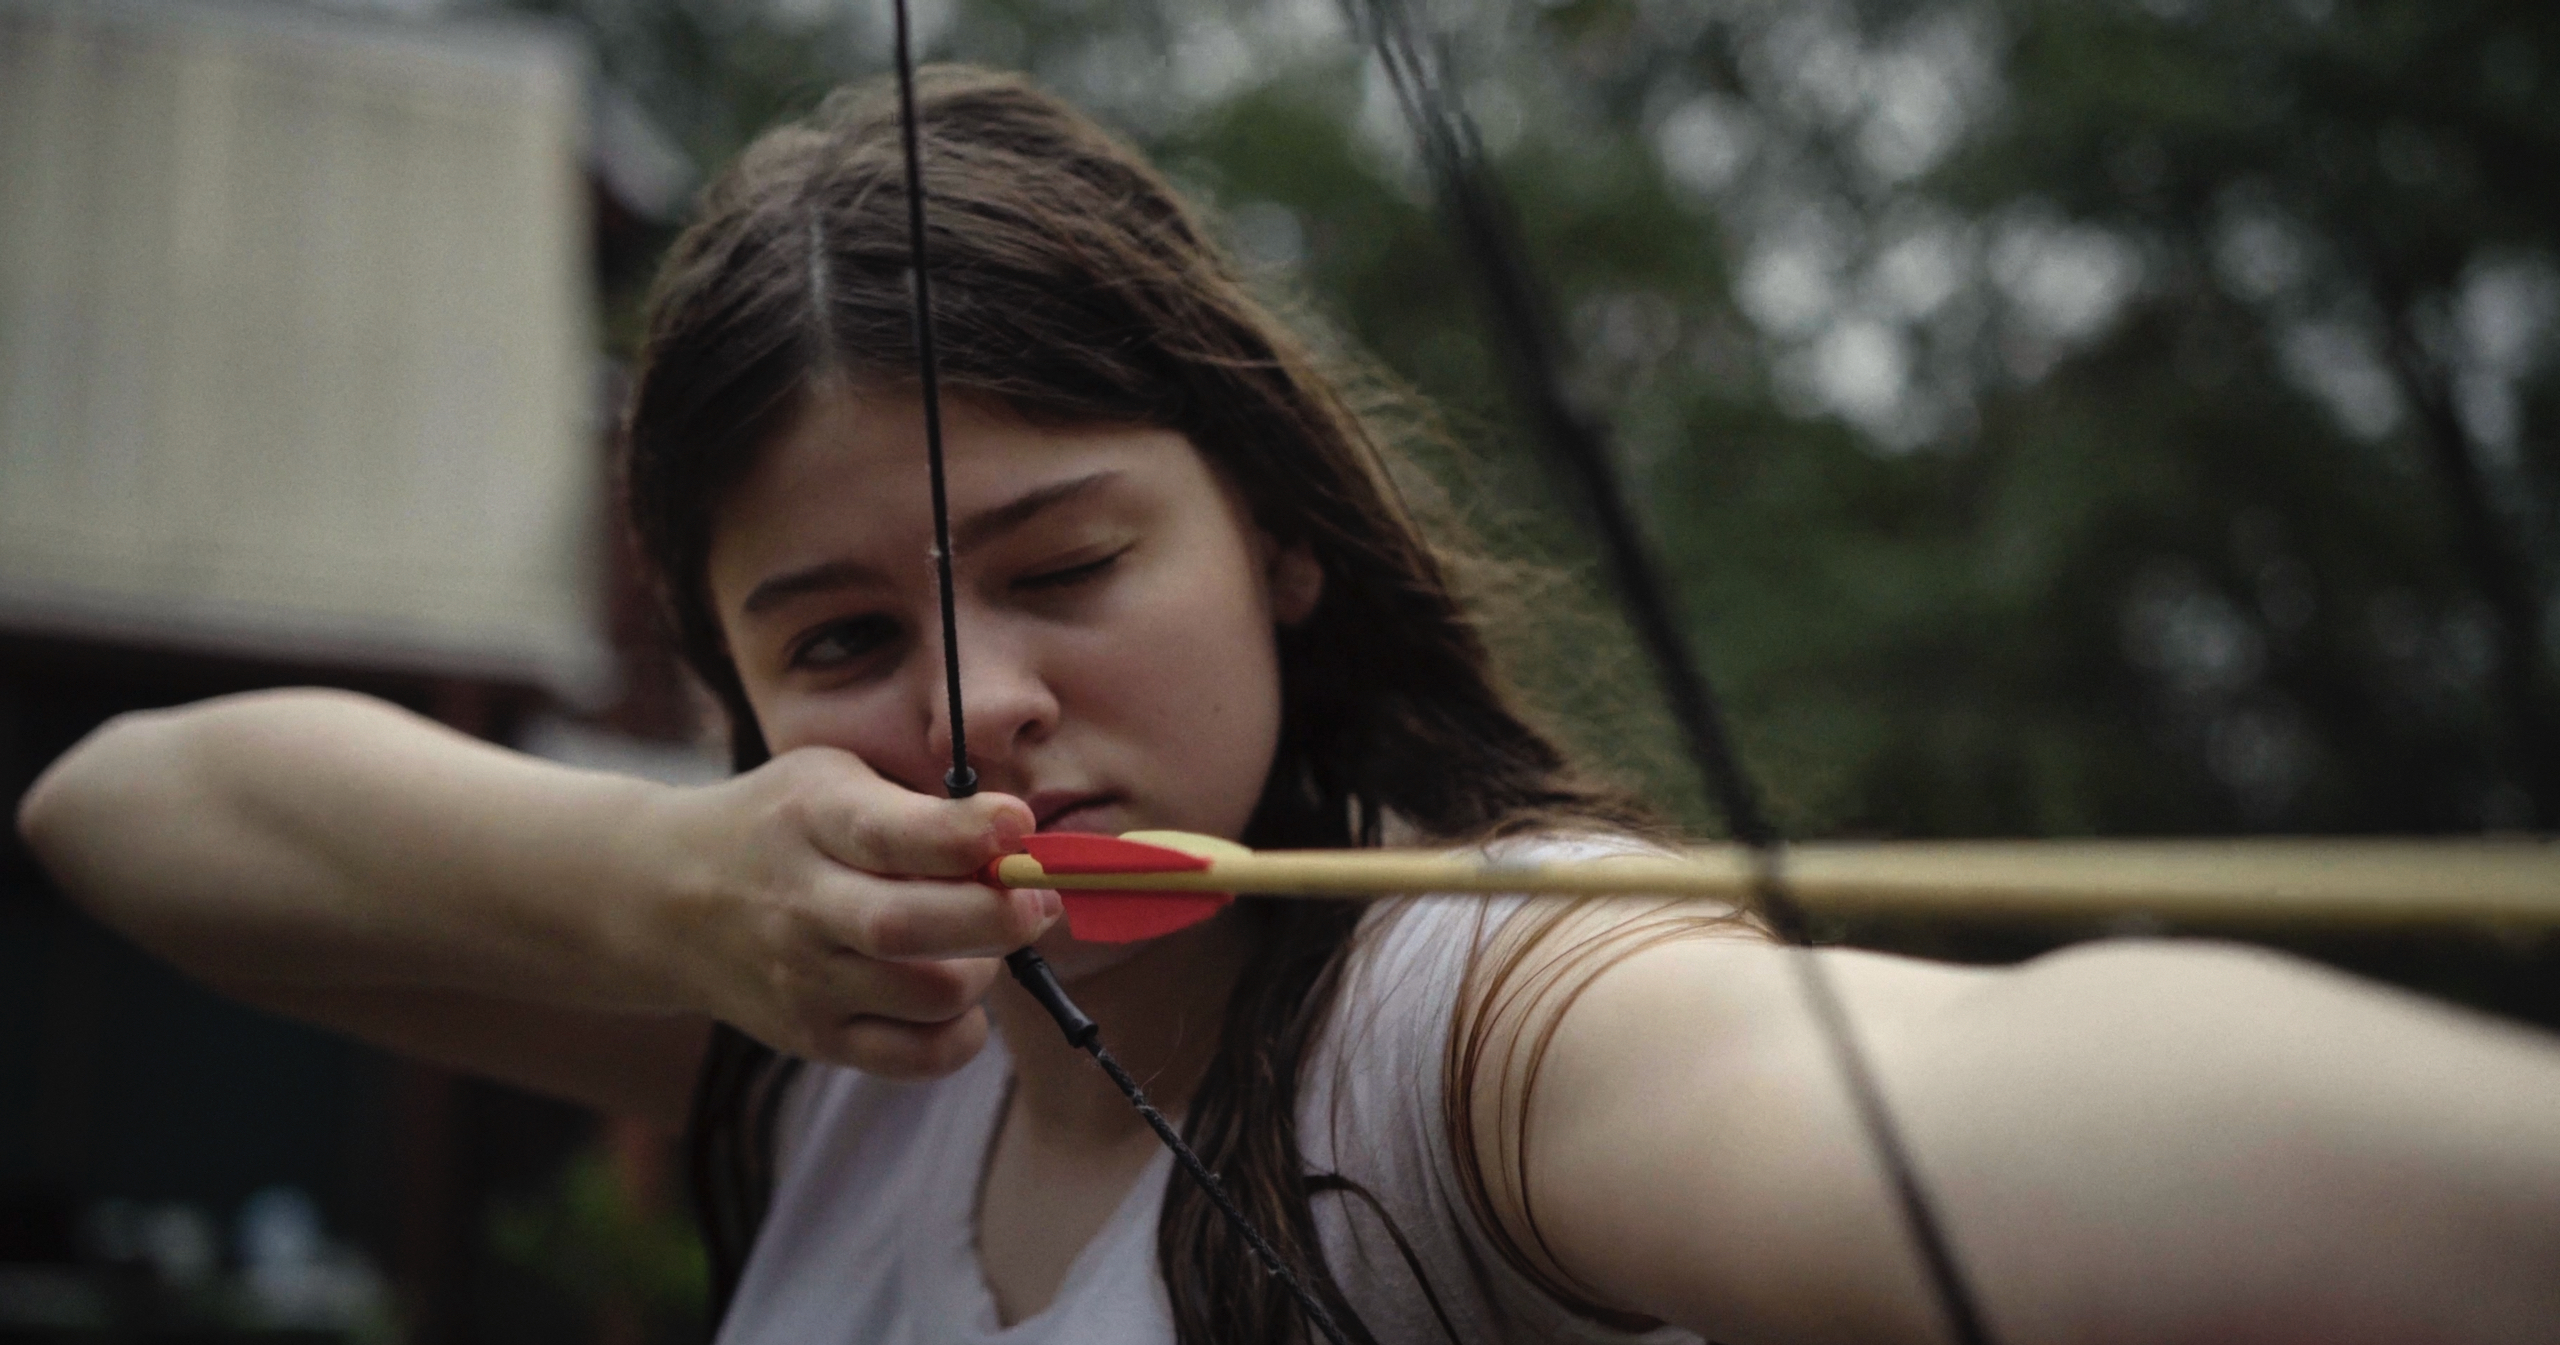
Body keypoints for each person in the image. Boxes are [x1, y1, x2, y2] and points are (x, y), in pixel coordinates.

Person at [17, 67, 2560, 1345]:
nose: (973, 706)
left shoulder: (1462, 1020)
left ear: (1280, 544)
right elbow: (124, 806)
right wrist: (669, 879)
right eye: (834, 641)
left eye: (1064, 563)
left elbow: (1958, 1105)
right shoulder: (816, 1034)